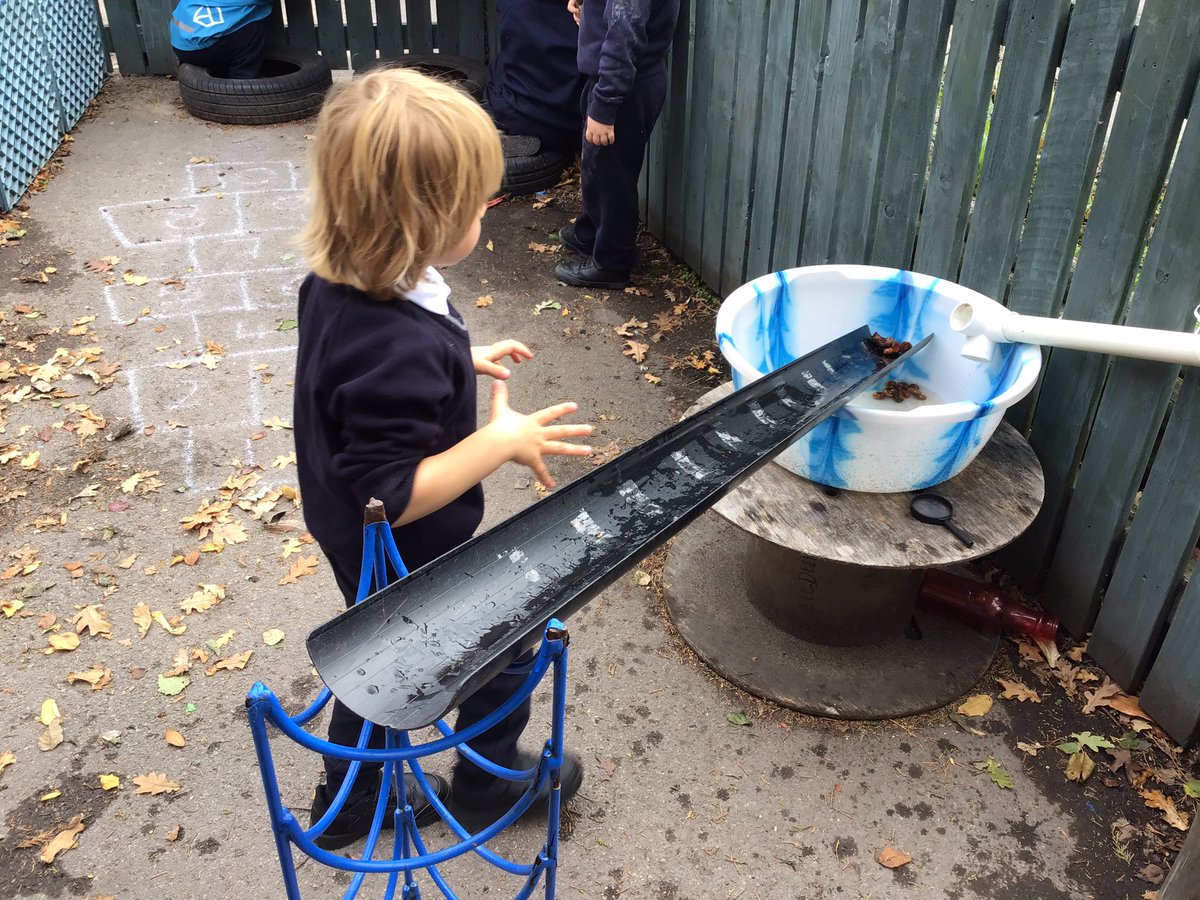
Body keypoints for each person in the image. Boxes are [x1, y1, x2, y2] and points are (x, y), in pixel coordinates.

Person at [293, 69, 592, 849]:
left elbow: (357, 379)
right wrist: (496, 441)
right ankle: (489, 784)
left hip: (345, 525)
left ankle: (351, 801)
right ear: (422, 222)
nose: (490, 212)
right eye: (477, 206)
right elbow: (389, 491)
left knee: (377, 653)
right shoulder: (396, 346)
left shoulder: (345, 281)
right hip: (403, 542)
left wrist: (460, 359)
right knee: (498, 645)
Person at [554, 0, 681, 290]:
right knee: (597, 165)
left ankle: (612, 262)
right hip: (612, 78)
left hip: (624, 85)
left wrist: (606, 104)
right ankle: (591, 233)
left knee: (613, 176)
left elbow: (626, 31)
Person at [170, 0, 273, 79]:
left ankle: (220, 74)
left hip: (180, 42)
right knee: (252, 31)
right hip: (202, 46)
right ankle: (243, 85)